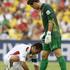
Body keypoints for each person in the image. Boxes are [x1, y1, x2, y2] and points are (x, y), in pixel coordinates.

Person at [27, 0, 66, 70]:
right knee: (44, 55)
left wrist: (48, 33)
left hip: (53, 34)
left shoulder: (46, 7)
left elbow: (51, 20)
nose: (33, 8)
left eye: (32, 6)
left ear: (35, 2)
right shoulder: (42, 9)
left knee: (58, 53)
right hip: (49, 33)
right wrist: (45, 33)